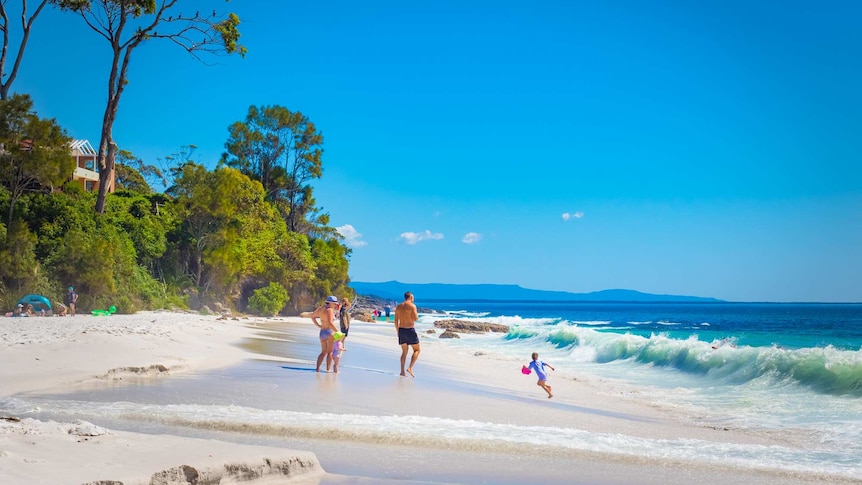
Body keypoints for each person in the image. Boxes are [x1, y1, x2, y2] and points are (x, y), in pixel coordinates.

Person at [310, 295, 339, 372]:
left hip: (322, 332)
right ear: (330, 303)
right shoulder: (329, 310)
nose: (335, 305)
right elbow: (330, 323)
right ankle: (328, 369)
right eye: (334, 303)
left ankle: (317, 368)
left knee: (323, 352)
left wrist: (318, 325)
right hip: (329, 332)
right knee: (330, 352)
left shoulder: (321, 308)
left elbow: (312, 316)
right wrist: (337, 331)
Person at [394, 291, 420, 377]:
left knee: (404, 352)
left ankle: (402, 371)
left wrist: (398, 331)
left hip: (401, 330)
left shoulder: (398, 306)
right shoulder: (412, 306)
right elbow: (416, 318)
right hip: (410, 330)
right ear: (411, 297)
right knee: (417, 350)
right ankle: (410, 368)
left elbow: (395, 321)